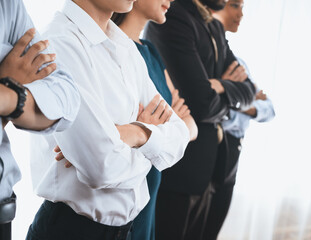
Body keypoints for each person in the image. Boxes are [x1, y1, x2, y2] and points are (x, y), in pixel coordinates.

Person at [26, 0, 190, 239]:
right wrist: (151, 147)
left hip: (126, 230)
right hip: (71, 231)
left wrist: (134, 133)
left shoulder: (124, 46)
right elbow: (102, 167)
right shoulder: (61, 43)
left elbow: (180, 136)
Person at [144, 0, 256, 239]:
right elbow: (201, 104)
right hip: (179, 173)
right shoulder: (172, 17)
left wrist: (219, 86)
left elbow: (249, 90)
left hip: (211, 173)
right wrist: (224, 91)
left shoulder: (213, 26)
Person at [112, 0, 198, 238]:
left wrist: (150, 130)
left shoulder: (150, 51)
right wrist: (161, 130)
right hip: (123, 189)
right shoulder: (112, 50)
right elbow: (109, 137)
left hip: (152, 185)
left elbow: (189, 127)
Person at [0, 0, 80, 239]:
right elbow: (101, 159)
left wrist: (9, 96)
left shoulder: (8, 5)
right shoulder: (64, 34)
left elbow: (66, 96)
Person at [202, 1, 275, 239]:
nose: (241, 14)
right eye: (235, 5)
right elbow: (204, 101)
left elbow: (269, 109)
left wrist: (230, 92)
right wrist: (241, 95)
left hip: (233, 151)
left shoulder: (238, 64)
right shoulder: (202, 55)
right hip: (207, 144)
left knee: (212, 227)